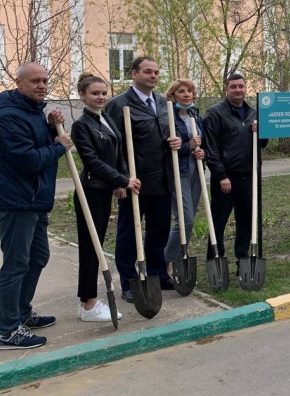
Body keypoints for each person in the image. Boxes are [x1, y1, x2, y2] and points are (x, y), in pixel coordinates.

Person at [0, 63, 71, 350]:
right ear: (19, 83)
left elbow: (36, 145)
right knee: (15, 265)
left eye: (45, 80)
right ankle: (8, 331)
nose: (41, 85)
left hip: (35, 200)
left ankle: (22, 313)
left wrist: (51, 130)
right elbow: (27, 160)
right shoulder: (7, 117)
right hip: (16, 201)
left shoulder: (32, 112)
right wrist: (60, 146)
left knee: (38, 257)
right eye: (35, 81)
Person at [105, 57, 181, 303]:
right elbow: (112, 145)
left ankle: (158, 273)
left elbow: (170, 131)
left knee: (158, 230)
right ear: (134, 73)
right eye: (148, 72)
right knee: (130, 233)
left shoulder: (162, 102)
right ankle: (129, 281)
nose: (154, 76)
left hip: (162, 178)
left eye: (157, 72)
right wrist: (120, 179)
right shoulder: (119, 105)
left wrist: (176, 140)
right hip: (135, 181)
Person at [70, 73, 136, 323]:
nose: (100, 97)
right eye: (95, 93)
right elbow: (93, 162)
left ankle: (88, 301)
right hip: (90, 192)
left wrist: (118, 181)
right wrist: (123, 180)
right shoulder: (82, 125)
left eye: (103, 93)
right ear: (82, 96)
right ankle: (88, 305)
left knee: (96, 246)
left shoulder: (105, 118)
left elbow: (116, 151)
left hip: (104, 190)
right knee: (90, 247)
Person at [203, 74, 267, 264]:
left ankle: (243, 257)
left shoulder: (253, 112)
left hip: (249, 176)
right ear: (226, 89)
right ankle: (216, 258)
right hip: (226, 178)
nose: (238, 90)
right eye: (233, 87)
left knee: (246, 220)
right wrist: (221, 175)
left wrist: (260, 132)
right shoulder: (215, 113)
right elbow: (210, 147)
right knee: (219, 221)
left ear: (246, 88)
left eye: (241, 86)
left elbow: (262, 144)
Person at [162, 79, 205, 271]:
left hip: (196, 172)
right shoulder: (168, 118)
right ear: (173, 95)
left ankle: (180, 263)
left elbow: (201, 143)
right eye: (181, 91)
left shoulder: (195, 115)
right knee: (185, 220)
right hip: (179, 173)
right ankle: (167, 261)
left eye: (190, 91)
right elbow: (169, 149)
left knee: (190, 220)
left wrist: (201, 152)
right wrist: (190, 146)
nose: (187, 94)